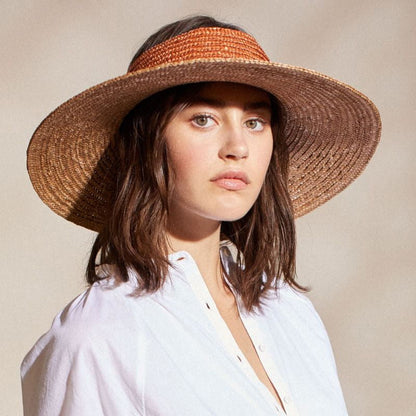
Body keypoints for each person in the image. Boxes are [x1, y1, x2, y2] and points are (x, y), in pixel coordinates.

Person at [21, 15, 381, 416]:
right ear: (147, 141)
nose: (238, 147)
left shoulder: (290, 311)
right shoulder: (97, 338)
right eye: (203, 119)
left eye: (255, 122)